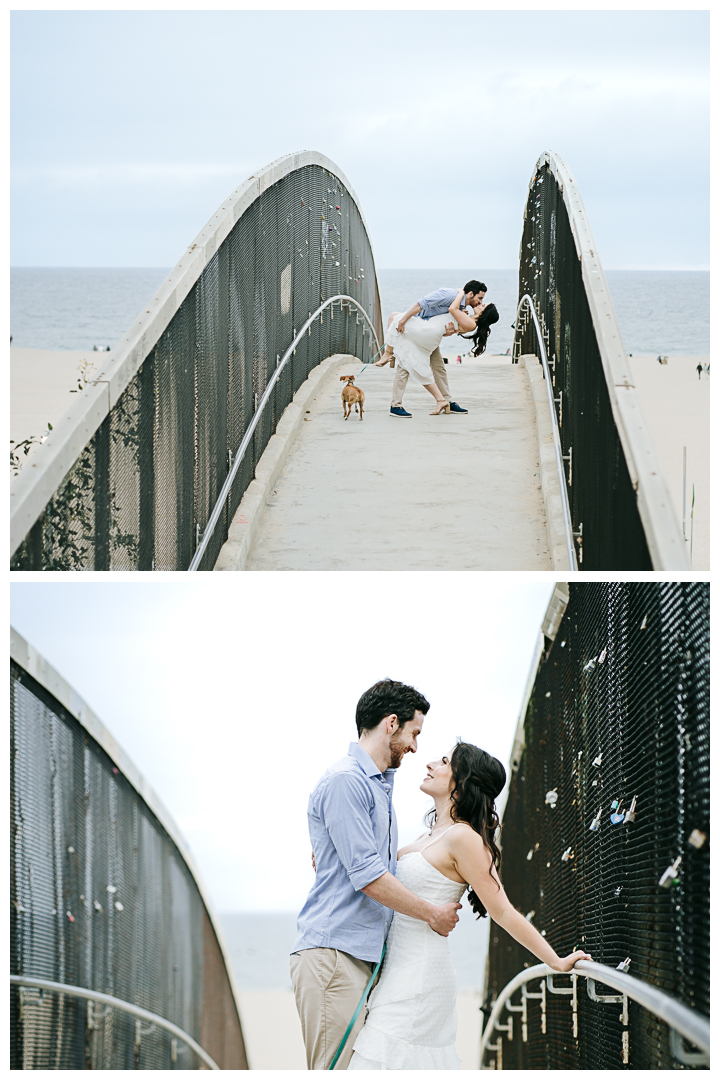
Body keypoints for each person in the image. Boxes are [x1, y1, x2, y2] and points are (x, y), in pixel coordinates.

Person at [348, 741, 593, 1070]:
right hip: (394, 977)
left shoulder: (464, 839)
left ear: (462, 784)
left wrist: (557, 961)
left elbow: (503, 911)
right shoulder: (428, 836)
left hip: (420, 981)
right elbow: (373, 871)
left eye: (445, 761)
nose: (431, 764)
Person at [290, 680, 461, 1071]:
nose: (416, 747)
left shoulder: (376, 785)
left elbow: (369, 864)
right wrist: (431, 914)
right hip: (335, 956)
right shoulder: (346, 781)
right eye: (414, 733)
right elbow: (368, 876)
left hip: (356, 958)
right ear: (391, 724)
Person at [378, 290, 499, 416]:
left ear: (484, 313)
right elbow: (450, 326)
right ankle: (445, 400)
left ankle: (396, 402)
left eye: (483, 305)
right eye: (480, 300)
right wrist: (449, 331)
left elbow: (452, 309)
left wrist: (461, 292)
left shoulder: (470, 321)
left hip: (427, 334)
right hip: (431, 336)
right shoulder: (468, 318)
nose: (480, 303)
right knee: (438, 367)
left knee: (394, 320)